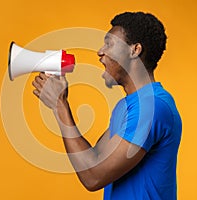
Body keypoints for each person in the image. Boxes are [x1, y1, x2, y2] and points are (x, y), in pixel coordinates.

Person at [32, 11, 182, 200]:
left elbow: (93, 177)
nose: (100, 51)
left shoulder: (153, 108)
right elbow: (92, 159)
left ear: (134, 50)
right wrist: (59, 104)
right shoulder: (127, 106)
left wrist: (60, 106)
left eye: (109, 44)